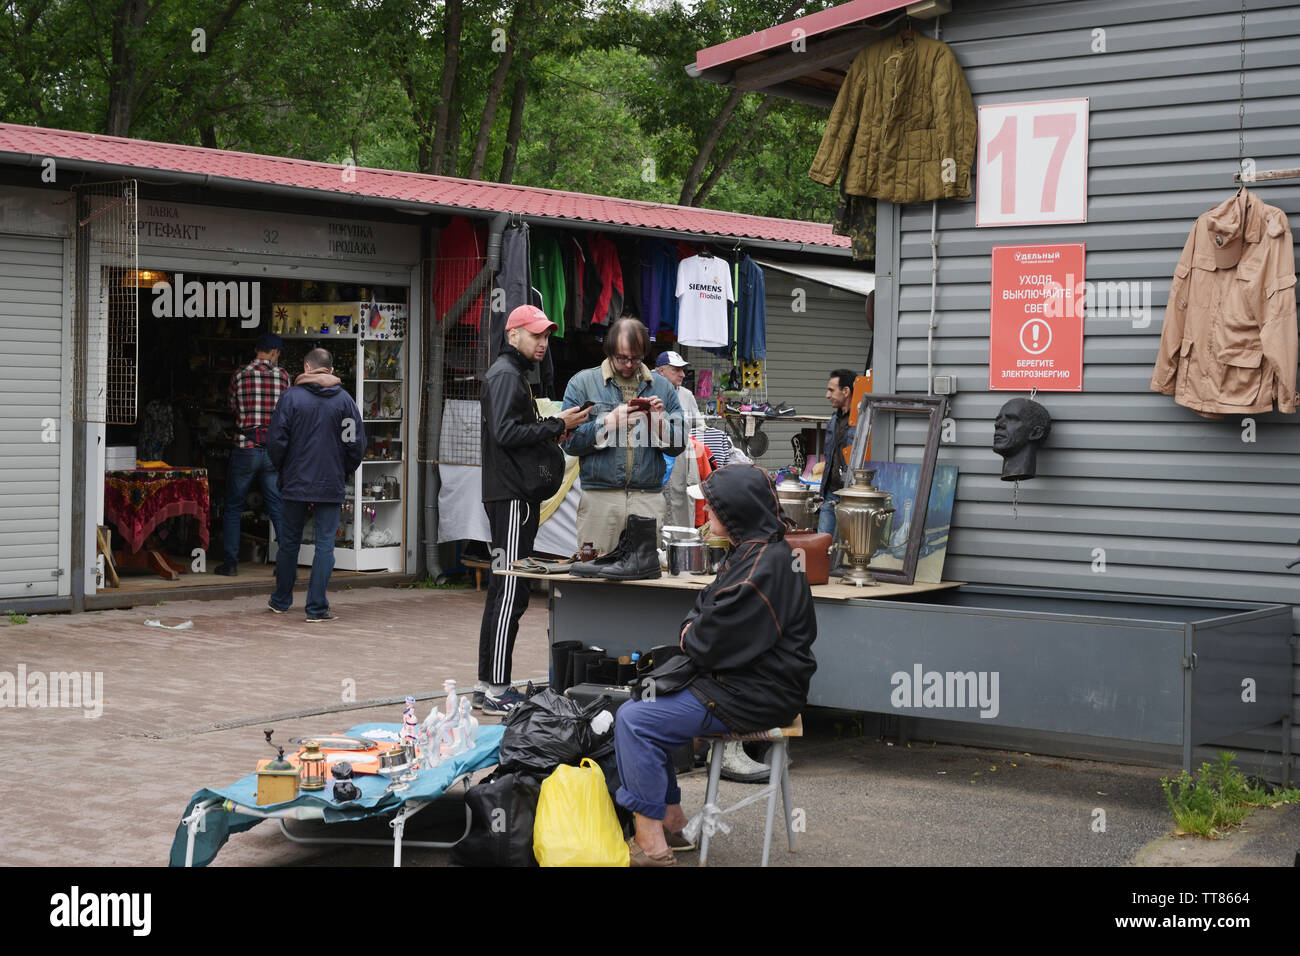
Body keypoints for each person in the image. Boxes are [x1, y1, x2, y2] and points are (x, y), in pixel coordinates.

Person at [613, 464, 818, 866]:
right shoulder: (757, 552)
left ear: (737, 511)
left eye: (714, 508)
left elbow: (705, 641)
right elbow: (704, 612)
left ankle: (651, 841)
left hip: (757, 693)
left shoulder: (762, 567)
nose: (706, 513)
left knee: (635, 720)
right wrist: (696, 628)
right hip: (750, 683)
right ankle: (672, 820)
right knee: (647, 704)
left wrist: (692, 631)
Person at [476, 305, 590, 715]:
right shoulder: (507, 375)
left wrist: (554, 424)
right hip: (511, 494)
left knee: (504, 589)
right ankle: (496, 689)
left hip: (509, 492)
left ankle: (487, 684)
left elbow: (509, 430)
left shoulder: (510, 374)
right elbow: (507, 432)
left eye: (545, 337)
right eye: (535, 335)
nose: (542, 343)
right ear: (513, 336)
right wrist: (556, 425)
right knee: (510, 590)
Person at [560, 317, 685, 554]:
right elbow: (570, 442)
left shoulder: (663, 387)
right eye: (622, 358)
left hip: (647, 497)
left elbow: (679, 444)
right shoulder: (582, 384)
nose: (629, 364)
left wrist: (659, 424)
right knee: (595, 575)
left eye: (636, 358)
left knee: (646, 579)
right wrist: (607, 423)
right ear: (609, 351)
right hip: (600, 498)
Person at [266, 348, 365, 622]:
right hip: (330, 482)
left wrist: (283, 468)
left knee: (289, 542)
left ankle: (281, 600)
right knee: (325, 546)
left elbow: (276, 441)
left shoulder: (291, 398)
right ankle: (316, 608)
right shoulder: (345, 401)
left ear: (306, 367)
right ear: (331, 371)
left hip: (296, 481)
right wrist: (342, 470)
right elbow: (355, 445)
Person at [217, 333, 289, 576]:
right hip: (272, 449)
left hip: (245, 447)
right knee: (277, 506)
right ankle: (285, 563)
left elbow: (231, 405)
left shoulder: (240, 374)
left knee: (234, 506)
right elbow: (288, 412)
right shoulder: (283, 377)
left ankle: (230, 563)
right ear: (274, 353)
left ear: (258, 350)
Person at [817, 368, 858, 539]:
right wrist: (821, 494)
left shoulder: (861, 421)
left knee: (850, 548)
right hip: (831, 494)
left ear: (846, 391)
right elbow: (829, 460)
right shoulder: (833, 421)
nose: (827, 395)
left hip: (853, 496)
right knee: (822, 545)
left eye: (831, 390)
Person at [654, 350, 702, 429]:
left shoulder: (687, 395)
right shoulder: (647, 392)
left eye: (682, 370)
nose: (683, 375)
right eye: (676, 370)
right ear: (661, 371)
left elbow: (700, 426)